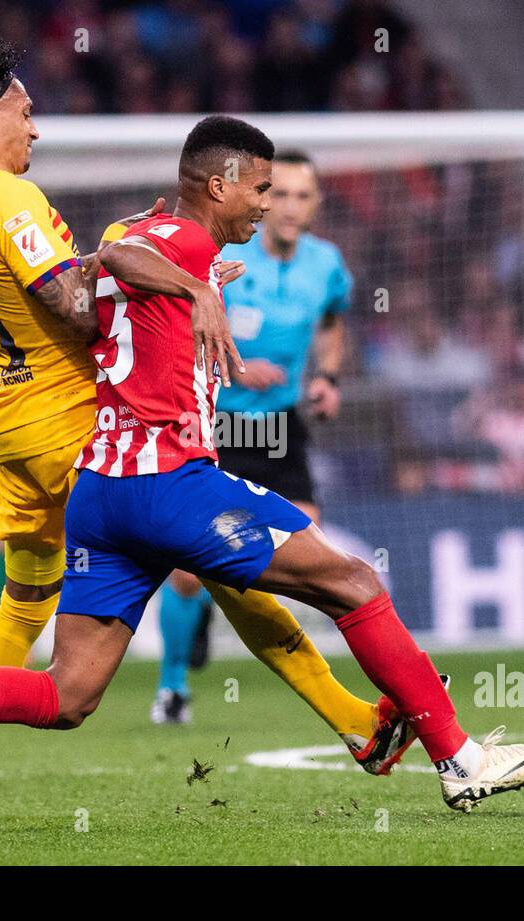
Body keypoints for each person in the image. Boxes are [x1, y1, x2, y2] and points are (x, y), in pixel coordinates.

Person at [0, 114, 524, 813]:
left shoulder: (137, 229)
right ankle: (460, 760)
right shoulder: (177, 245)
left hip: (101, 496)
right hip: (167, 484)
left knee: (69, 694)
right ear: (218, 186)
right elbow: (117, 258)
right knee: (356, 584)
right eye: (260, 190)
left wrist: (183, 281)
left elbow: (113, 252)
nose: (266, 206)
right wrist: (197, 284)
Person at [0, 45, 416, 824]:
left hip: (15, 425)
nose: (34, 127)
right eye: (26, 110)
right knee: (231, 564)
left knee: (23, 603)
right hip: (78, 418)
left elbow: (29, 286)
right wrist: (176, 287)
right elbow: (76, 305)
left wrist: (167, 271)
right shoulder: (8, 200)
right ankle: (355, 721)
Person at [150, 149, 352, 724]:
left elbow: (334, 319)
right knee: (188, 570)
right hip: (219, 423)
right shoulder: (228, 260)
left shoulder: (326, 265)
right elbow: (181, 327)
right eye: (278, 193)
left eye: (301, 196)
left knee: (309, 548)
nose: (288, 207)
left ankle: (323, 683)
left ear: (315, 204)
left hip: (281, 427)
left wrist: (329, 378)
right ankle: (173, 689)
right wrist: (236, 368)